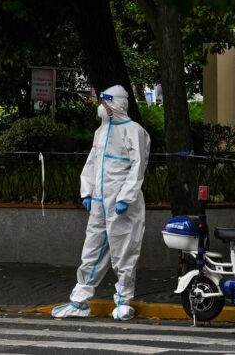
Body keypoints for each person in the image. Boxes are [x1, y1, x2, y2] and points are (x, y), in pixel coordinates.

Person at [51, 85, 151, 321]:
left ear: (115, 105)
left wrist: (126, 197)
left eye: (105, 104)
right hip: (99, 201)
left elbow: (137, 167)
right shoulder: (101, 132)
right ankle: (79, 301)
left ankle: (124, 301)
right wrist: (87, 192)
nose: (102, 108)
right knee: (92, 250)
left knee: (124, 251)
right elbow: (92, 163)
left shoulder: (134, 131)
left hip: (121, 202)